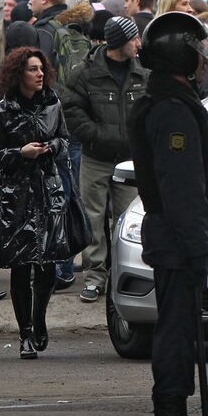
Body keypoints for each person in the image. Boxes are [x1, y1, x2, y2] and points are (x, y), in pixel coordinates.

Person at [127, 11, 208, 416]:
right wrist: (197, 245)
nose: (204, 61)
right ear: (180, 56)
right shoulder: (172, 110)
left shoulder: (168, 101)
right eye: (196, 53)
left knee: (179, 330)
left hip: (173, 236)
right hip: (176, 239)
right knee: (175, 333)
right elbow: (182, 187)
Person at [0, 48, 73, 359]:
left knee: (47, 263)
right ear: (18, 73)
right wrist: (20, 153)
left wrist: (51, 147)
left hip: (48, 190)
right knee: (20, 267)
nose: (39, 74)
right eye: (32, 69)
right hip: (15, 195)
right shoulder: (0, 111)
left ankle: (39, 319)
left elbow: (65, 139)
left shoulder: (52, 103)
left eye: (41, 68)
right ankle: (24, 333)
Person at [61, 16, 147, 303]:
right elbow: (71, 109)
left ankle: (121, 275)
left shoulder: (143, 71)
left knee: (127, 220)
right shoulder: (86, 72)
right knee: (93, 219)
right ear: (119, 42)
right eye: (134, 38)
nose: (138, 43)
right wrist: (94, 134)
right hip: (96, 158)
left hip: (131, 161)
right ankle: (95, 277)